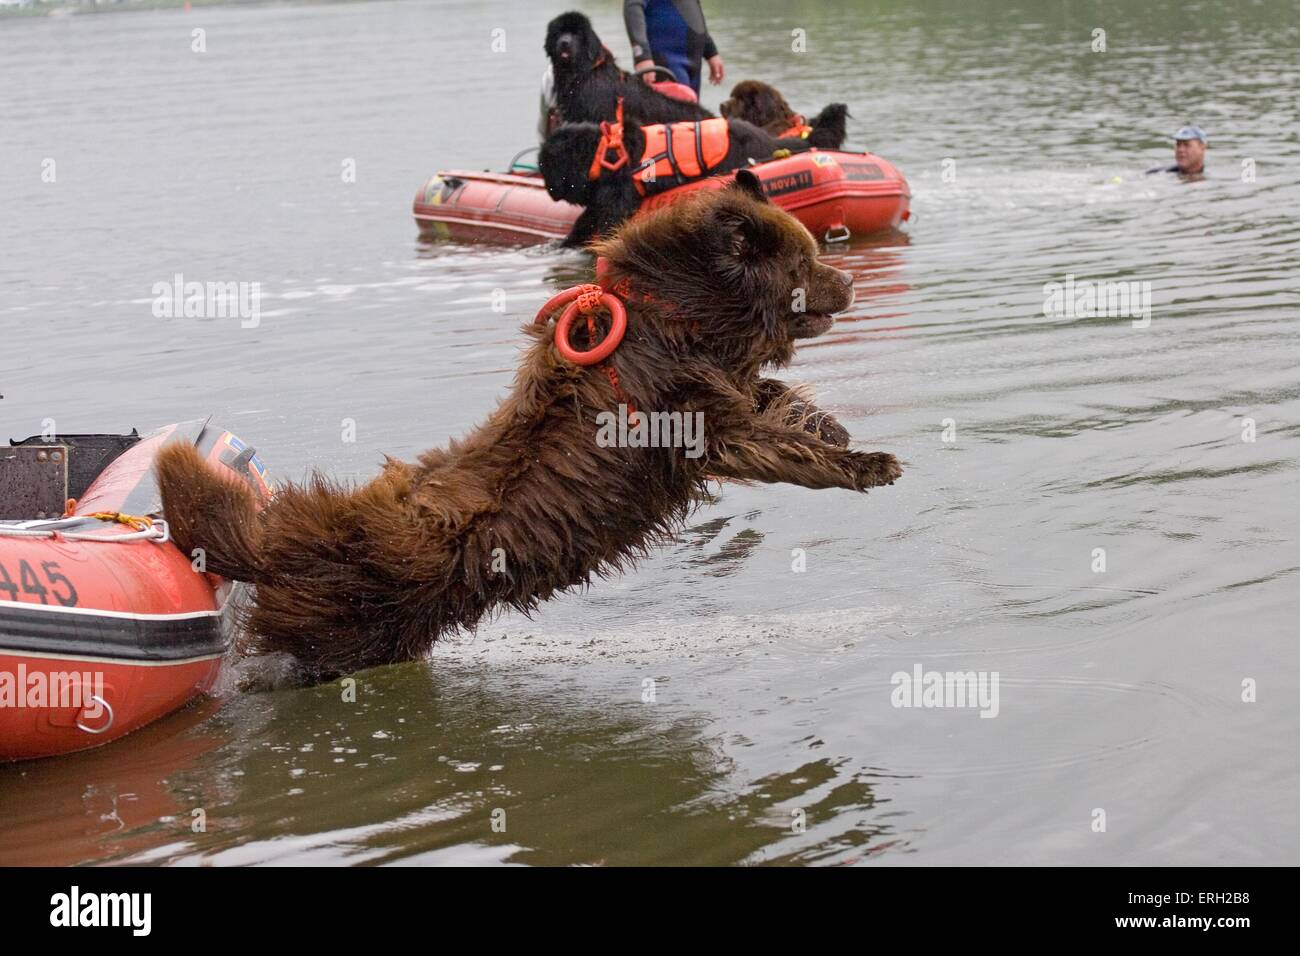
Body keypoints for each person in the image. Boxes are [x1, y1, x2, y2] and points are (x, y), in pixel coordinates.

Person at [623, 0, 724, 95]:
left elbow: (692, 11)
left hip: (693, 63)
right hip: (666, 61)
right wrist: (642, 55)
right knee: (676, 111)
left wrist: (711, 51)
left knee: (691, 111)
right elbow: (633, 6)